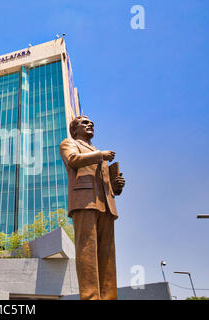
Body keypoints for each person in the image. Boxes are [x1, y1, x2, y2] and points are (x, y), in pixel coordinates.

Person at [59, 115, 125, 300]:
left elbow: (103, 183)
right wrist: (100, 155)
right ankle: (91, 297)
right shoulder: (69, 143)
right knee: (87, 252)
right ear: (74, 129)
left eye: (92, 124)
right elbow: (73, 159)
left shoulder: (96, 151)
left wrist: (115, 185)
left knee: (107, 255)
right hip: (84, 201)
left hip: (106, 205)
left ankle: (109, 296)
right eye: (85, 123)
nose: (90, 125)